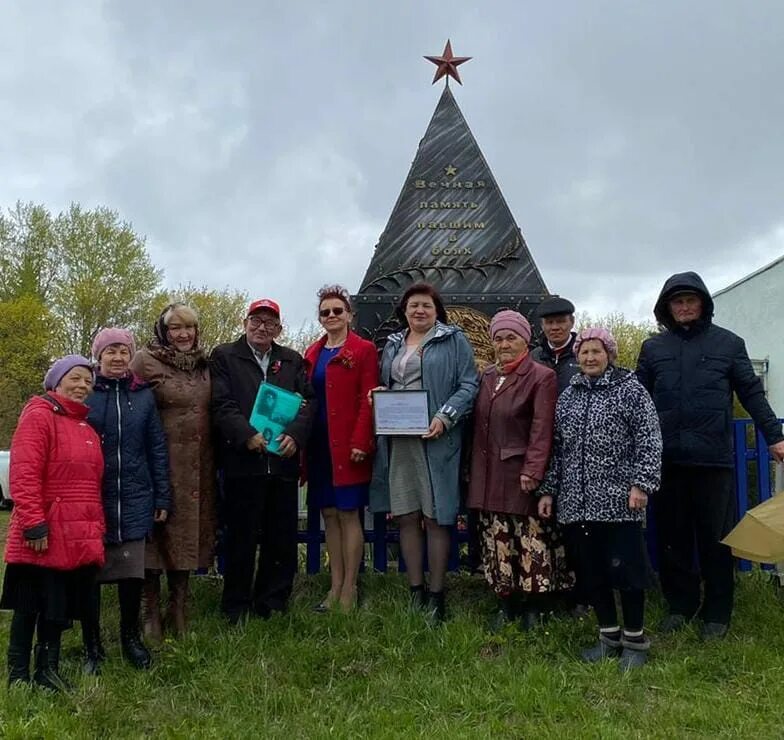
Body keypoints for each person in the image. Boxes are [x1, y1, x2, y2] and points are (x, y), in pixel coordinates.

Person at [636, 272, 784, 639]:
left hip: (713, 461)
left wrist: (775, 437)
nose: (684, 307)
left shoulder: (729, 345)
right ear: (667, 308)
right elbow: (636, 402)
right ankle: (680, 605)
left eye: (691, 300)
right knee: (673, 538)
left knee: (716, 539)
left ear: (703, 304)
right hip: (667, 461)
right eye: (677, 301)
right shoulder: (653, 349)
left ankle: (717, 613)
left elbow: (751, 393)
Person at [539, 328, 662, 670]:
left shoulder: (631, 391)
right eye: (584, 352)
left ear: (609, 354)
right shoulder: (570, 395)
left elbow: (649, 440)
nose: (590, 358)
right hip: (576, 503)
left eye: (596, 351)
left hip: (619, 502)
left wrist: (641, 484)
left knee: (628, 573)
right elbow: (557, 448)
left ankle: (635, 641)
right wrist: (549, 489)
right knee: (592, 572)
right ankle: (608, 636)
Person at [369, 282, 478, 621]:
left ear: (436, 311)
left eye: (426, 306)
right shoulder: (392, 344)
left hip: (435, 440)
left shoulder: (453, 340)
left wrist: (445, 417)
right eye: (413, 305)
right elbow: (389, 383)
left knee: (435, 517)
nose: (419, 310)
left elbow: (469, 384)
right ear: (404, 310)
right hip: (398, 440)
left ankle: (437, 594)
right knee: (406, 515)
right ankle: (415, 591)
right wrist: (380, 393)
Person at [1, 356, 105, 690]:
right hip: (43, 529)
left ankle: (47, 671)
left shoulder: (84, 426)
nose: (82, 386)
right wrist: (33, 523)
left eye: (88, 381)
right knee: (30, 602)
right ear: (56, 382)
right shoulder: (39, 416)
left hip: (75, 533)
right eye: (75, 378)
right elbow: (24, 472)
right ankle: (18, 675)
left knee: (57, 604)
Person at [211, 298, 316, 624]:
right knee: (241, 538)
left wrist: (296, 436)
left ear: (279, 329)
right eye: (256, 321)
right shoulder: (225, 356)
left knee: (280, 538)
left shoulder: (291, 360)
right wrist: (245, 435)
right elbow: (221, 403)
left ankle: (272, 602)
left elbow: (308, 402)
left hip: (281, 464)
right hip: (244, 462)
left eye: (270, 323)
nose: (262, 328)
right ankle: (237, 605)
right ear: (246, 323)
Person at [468, 310, 573, 631]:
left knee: (530, 540)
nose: (504, 344)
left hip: (520, 475)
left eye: (511, 337)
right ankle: (506, 601)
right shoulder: (486, 377)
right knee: (497, 540)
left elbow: (542, 429)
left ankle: (535, 606)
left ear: (525, 340)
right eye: (498, 338)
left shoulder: (541, 376)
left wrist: (534, 471)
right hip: (488, 475)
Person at [83, 328, 171, 672]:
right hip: (94, 497)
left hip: (135, 495)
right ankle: (93, 647)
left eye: (123, 351)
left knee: (132, 575)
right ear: (99, 356)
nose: (118, 357)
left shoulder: (143, 396)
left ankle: (130, 639)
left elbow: (156, 448)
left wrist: (161, 493)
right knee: (91, 573)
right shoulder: (86, 392)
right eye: (110, 351)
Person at [130, 303, 217, 641]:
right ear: (163, 332)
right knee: (156, 533)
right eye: (175, 328)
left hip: (198, 465)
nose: (183, 334)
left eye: (189, 328)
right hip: (159, 462)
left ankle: (178, 606)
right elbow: (131, 403)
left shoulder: (204, 365)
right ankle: (150, 609)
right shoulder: (144, 361)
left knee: (188, 533)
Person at [303, 285, 378, 612]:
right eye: (325, 312)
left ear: (349, 314)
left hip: (349, 446)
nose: (331, 316)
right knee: (328, 516)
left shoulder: (363, 350)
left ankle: (350, 589)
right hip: (319, 446)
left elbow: (369, 397)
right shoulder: (312, 354)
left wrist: (362, 441)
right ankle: (334, 586)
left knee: (349, 515)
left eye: (337, 310)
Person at [530, 296, 581, 394]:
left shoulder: (585, 354)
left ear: (572, 322)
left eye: (560, 321)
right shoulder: (534, 358)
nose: (555, 327)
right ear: (542, 325)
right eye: (549, 322)